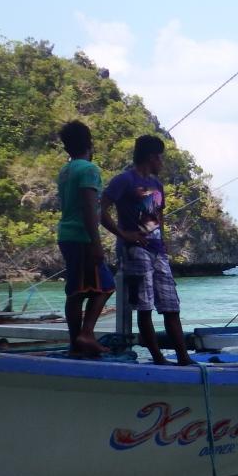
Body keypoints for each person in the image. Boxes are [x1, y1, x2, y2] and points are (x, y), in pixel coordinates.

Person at [101, 135, 194, 366]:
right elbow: (102, 210)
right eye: (160, 158)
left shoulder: (157, 185)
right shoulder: (124, 180)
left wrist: (163, 242)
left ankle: (184, 358)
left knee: (171, 305)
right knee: (145, 306)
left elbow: (158, 214)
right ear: (152, 158)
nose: (162, 162)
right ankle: (158, 358)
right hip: (135, 250)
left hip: (157, 250)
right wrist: (124, 234)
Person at [57, 120, 114, 358]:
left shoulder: (65, 171)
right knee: (106, 287)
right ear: (89, 144)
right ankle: (87, 333)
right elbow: (90, 208)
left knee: (75, 292)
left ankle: (75, 344)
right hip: (82, 236)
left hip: (66, 235)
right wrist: (96, 243)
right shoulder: (89, 170)